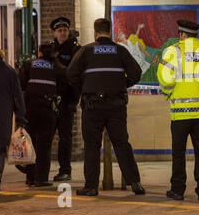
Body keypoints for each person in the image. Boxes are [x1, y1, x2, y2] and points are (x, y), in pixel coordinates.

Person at [67, 18, 145, 196]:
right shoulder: (120, 50)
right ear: (110, 31)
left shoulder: (86, 51)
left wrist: (85, 88)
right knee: (122, 144)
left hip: (92, 105)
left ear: (95, 32)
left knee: (92, 146)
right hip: (116, 105)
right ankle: (135, 183)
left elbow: (71, 74)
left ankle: (91, 187)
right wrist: (120, 85)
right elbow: (136, 73)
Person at [157, 19, 199, 201]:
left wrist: (171, 93)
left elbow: (164, 79)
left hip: (180, 113)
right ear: (195, 35)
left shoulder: (174, 51)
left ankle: (178, 190)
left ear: (182, 34)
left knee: (178, 152)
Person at [19, 43, 66, 187]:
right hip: (47, 109)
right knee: (44, 145)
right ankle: (41, 179)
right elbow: (64, 86)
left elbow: (20, 84)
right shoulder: (57, 67)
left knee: (30, 143)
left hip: (30, 109)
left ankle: (30, 178)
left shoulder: (28, 64)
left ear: (38, 52)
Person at [50, 17, 81, 182]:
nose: (62, 33)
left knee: (65, 137)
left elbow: (73, 74)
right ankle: (40, 170)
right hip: (50, 100)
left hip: (67, 100)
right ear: (54, 33)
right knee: (45, 136)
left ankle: (65, 170)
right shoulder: (50, 48)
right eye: (59, 30)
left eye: (65, 30)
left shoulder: (75, 49)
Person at [0, 50, 27, 191]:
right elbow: (17, 97)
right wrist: (21, 118)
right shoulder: (9, 72)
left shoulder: (9, 72)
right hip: (2, 121)